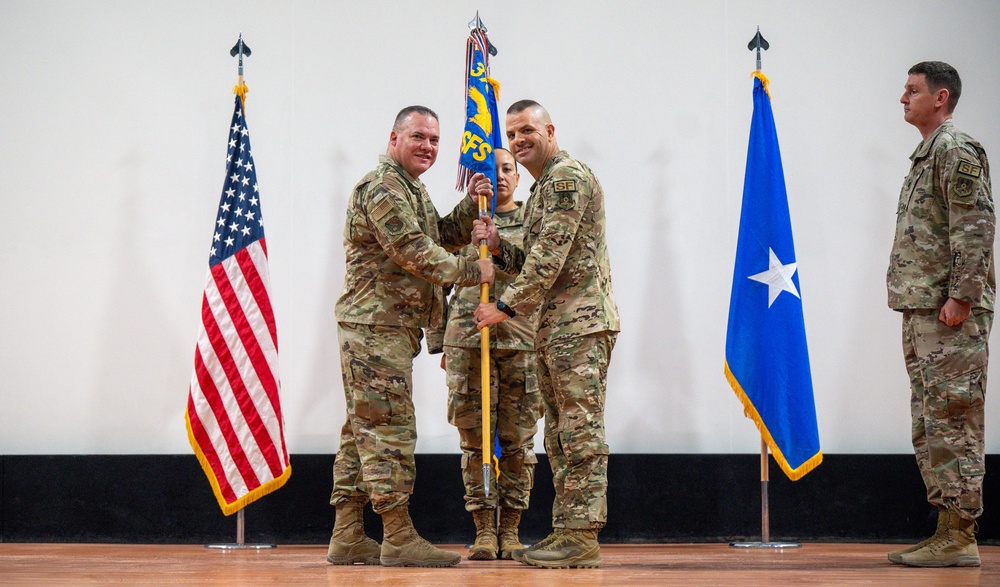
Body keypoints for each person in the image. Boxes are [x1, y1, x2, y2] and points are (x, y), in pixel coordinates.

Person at [327, 105, 495, 568]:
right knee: (388, 429)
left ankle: (347, 536)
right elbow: (413, 251)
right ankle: (398, 535)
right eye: (419, 136)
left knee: (361, 430)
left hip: (386, 327)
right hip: (374, 327)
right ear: (394, 138)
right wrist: (470, 268)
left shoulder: (409, 189)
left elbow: (436, 233)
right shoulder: (382, 187)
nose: (428, 147)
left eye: (435, 141)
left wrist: (470, 207)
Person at [473, 100, 620, 568]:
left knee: (579, 430)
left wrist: (504, 306)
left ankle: (581, 534)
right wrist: (500, 248)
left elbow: (550, 257)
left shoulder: (564, 178)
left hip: (579, 325)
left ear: (550, 130)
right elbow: (538, 257)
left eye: (527, 131)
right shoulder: (541, 189)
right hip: (556, 327)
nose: (518, 141)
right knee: (559, 433)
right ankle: (568, 530)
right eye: (512, 134)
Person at [887, 61, 994, 568]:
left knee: (954, 419)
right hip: (924, 313)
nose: (902, 98)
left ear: (941, 97)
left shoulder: (955, 150)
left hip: (950, 314)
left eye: (912, 90)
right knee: (932, 422)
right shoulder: (925, 156)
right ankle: (948, 530)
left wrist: (962, 297)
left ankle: (961, 533)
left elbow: (974, 227)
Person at [440, 148, 542, 560]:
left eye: (507, 169)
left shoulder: (534, 223)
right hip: (466, 342)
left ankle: (512, 529)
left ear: (519, 178)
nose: (498, 176)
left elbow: (542, 275)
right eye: (489, 169)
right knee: (474, 439)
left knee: (517, 441)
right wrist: (439, 343)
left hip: (520, 341)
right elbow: (435, 280)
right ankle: (484, 529)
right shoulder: (463, 223)